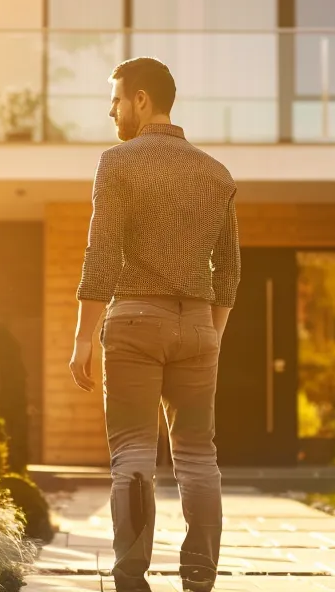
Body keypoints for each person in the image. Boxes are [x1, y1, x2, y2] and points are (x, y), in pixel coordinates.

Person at [67, 57, 240, 592]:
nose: (111, 109)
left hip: (136, 320)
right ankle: (199, 577)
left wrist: (81, 338)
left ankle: (131, 581)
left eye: (117, 98)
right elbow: (229, 268)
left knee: (134, 453)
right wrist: (209, 331)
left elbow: (102, 255)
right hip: (199, 324)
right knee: (197, 454)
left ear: (142, 100)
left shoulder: (117, 162)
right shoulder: (217, 172)